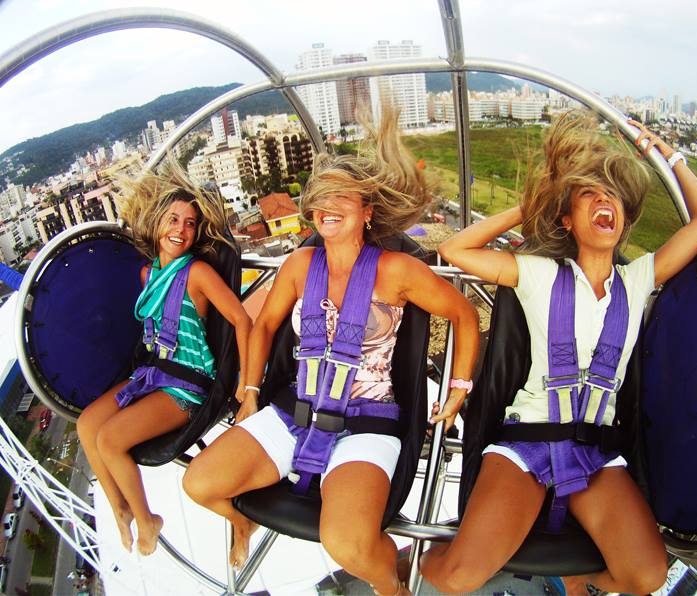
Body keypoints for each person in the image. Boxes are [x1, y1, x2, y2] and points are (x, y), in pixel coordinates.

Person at [183, 107, 479, 596]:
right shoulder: (300, 265)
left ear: (367, 211)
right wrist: (251, 391)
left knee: (347, 545)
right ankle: (242, 520)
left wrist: (459, 388)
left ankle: (391, 585)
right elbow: (264, 324)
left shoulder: (397, 271)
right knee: (200, 484)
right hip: (297, 408)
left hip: (367, 420)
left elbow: (465, 315)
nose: (328, 207)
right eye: (321, 198)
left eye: (342, 197)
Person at [420, 113, 697, 595]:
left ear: (622, 221)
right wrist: (528, 208)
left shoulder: (637, 279)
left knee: (645, 577)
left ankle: (577, 576)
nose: (604, 201)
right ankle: (420, 559)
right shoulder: (539, 273)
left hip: (596, 451)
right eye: (589, 195)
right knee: (458, 578)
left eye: (613, 197)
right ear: (567, 220)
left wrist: (669, 157)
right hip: (529, 441)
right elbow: (456, 249)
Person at [76, 164, 251, 556]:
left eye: (190, 223)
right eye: (173, 219)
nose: (181, 230)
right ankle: (121, 508)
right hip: (152, 374)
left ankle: (147, 519)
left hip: (185, 384)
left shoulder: (197, 273)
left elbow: (242, 320)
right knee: (87, 425)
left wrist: (243, 382)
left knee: (110, 440)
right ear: (157, 224)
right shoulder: (148, 274)